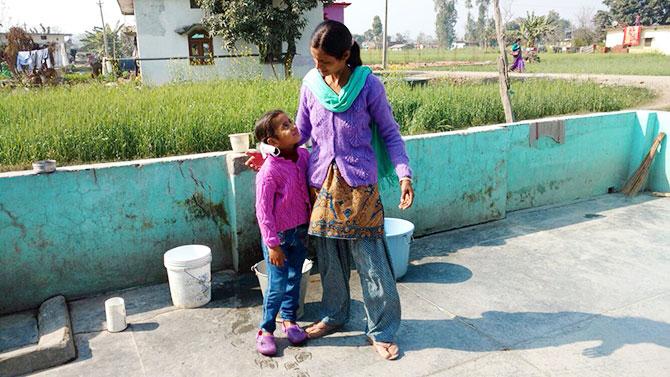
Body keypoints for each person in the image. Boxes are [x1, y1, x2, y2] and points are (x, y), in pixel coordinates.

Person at [253, 110, 311, 356]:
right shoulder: (269, 172)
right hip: (278, 238)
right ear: (272, 142)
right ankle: (266, 330)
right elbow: (263, 212)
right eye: (285, 126)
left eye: (291, 121)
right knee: (276, 284)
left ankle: (289, 320)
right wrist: (273, 245)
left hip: (300, 233)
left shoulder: (303, 157)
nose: (294, 126)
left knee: (294, 278)